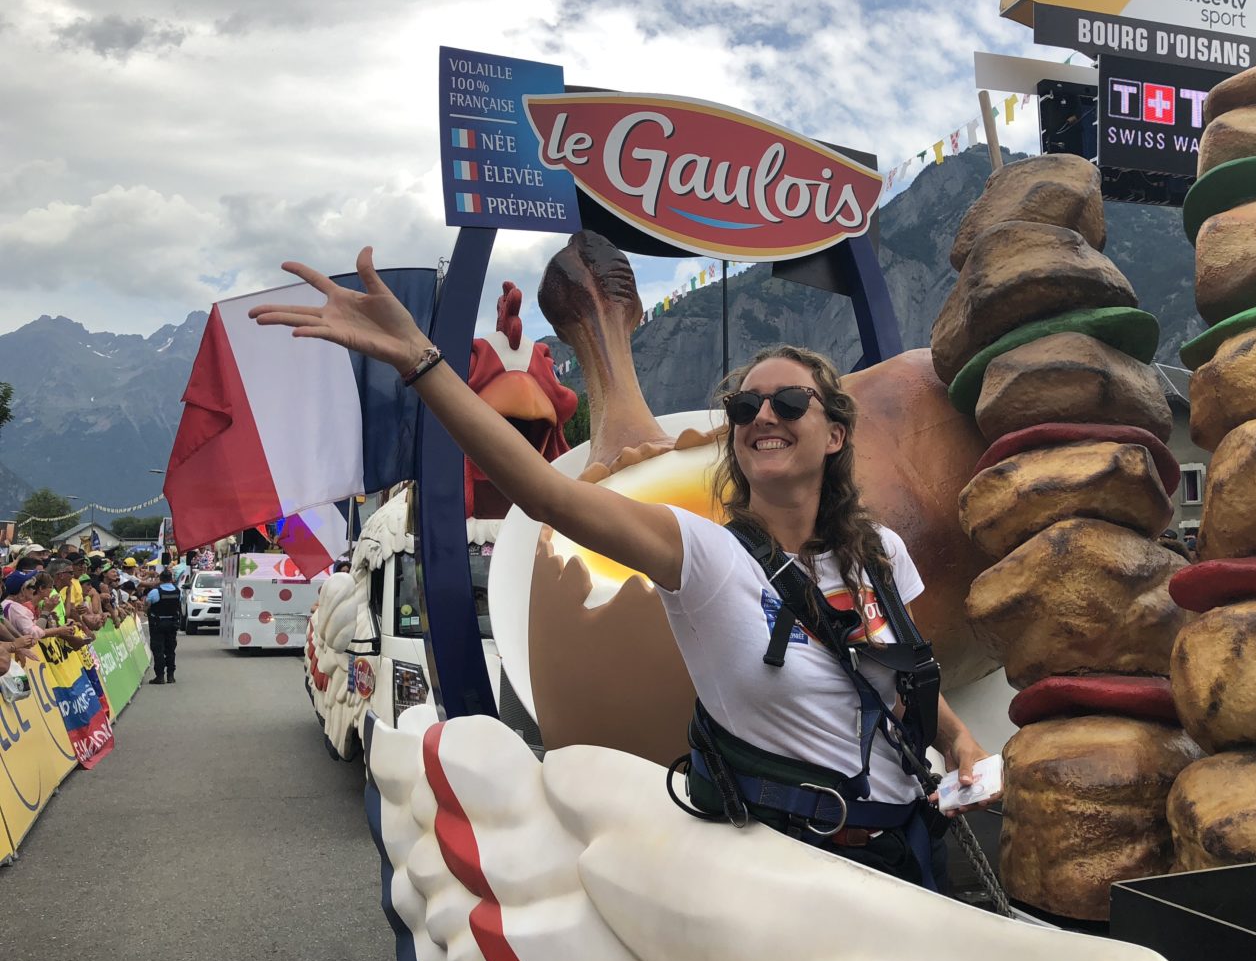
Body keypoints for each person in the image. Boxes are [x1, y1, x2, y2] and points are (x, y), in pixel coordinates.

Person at [251, 246, 999, 892]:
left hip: (907, 855)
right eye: (744, 406)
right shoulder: (704, 553)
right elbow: (547, 494)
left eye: (789, 401)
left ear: (836, 431)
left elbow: (903, 682)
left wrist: (963, 748)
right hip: (787, 876)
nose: (762, 416)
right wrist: (421, 361)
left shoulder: (879, 555)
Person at [145, 567, 181, 683]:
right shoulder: (177, 591)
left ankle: (160, 677)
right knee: (170, 650)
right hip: (172, 624)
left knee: (158, 650)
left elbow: (147, 606)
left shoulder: (155, 592)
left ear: (160, 579)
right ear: (171, 579)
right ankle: (171, 676)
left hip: (158, 624)